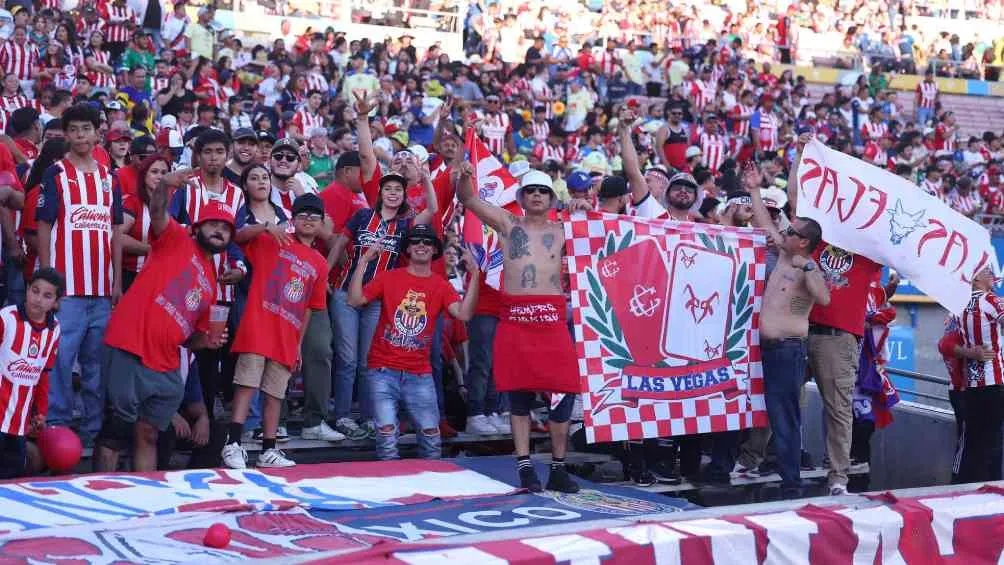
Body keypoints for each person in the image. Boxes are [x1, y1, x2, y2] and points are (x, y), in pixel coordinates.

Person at [96, 168, 233, 472]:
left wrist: (208, 341)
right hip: (130, 343)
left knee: (148, 434)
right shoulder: (176, 239)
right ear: (197, 227)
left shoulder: (212, 283)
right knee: (116, 432)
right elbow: (157, 212)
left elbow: (191, 339)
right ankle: (102, 494)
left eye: (225, 228)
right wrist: (164, 188)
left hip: (166, 362)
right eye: (212, 224)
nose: (219, 231)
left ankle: (145, 499)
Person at [457, 161, 581, 493]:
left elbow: (607, 239)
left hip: (552, 321)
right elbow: (468, 199)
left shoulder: (564, 229)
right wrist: (465, 176)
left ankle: (557, 467)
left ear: (552, 199)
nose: (537, 196)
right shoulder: (508, 223)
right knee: (519, 396)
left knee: (564, 394)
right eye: (531, 191)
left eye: (543, 191)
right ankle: (525, 466)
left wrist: (583, 211)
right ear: (522, 198)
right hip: (515, 320)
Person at [786, 134, 882, 496]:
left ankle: (838, 477)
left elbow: (892, 230)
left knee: (837, 409)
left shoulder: (871, 252)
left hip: (839, 338)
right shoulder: (820, 237)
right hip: (800, 329)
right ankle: (761, 461)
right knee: (783, 398)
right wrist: (798, 156)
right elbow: (797, 201)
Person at [348, 223, 479, 460]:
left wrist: (475, 275)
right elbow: (355, 300)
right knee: (387, 438)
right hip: (382, 370)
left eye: (427, 242)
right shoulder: (389, 278)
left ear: (434, 250)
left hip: (419, 374)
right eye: (416, 241)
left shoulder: (441, 284)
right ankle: (393, 491)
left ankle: (430, 490)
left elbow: (464, 314)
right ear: (407, 249)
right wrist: (364, 262)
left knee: (431, 439)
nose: (421, 245)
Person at [326, 169, 438, 441]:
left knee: (367, 363)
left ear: (403, 196)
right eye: (388, 188)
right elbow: (340, 244)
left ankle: (365, 418)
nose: (392, 193)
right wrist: (323, 277)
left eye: (398, 190)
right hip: (344, 293)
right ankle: (342, 416)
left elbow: (433, 209)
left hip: (376, 300)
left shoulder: (404, 225)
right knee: (348, 360)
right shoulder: (363, 216)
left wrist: (425, 179)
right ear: (380, 193)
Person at [221, 193, 330, 469]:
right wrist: (266, 226)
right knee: (247, 385)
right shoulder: (275, 240)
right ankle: (232, 443)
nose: (308, 220)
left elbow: (309, 307)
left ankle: (269, 449)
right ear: (293, 219)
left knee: (275, 394)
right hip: (259, 326)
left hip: (287, 336)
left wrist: (297, 344)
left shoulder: (320, 262)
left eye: (314, 216)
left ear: (322, 223)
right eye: (303, 215)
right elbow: (237, 238)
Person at [746, 158, 830, 497]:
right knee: (759, 412)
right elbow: (766, 222)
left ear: (804, 242)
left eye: (793, 232)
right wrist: (753, 189)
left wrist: (808, 267)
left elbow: (823, 299)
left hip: (787, 351)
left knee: (784, 417)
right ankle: (761, 465)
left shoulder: (810, 267)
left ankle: (791, 481)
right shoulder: (783, 254)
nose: (786, 232)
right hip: (762, 348)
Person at [38, 103, 120, 445]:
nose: (80, 135)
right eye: (74, 130)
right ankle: (56, 426)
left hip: (101, 290)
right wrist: (46, 280)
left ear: (97, 132)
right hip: (67, 289)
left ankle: (91, 431)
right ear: (66, 134)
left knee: (95, 366)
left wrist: (116, 280)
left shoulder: (108, 176)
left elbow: (115, 231)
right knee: (60, 361)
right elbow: (43, 226)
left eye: (86, 129)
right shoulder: (55, 173)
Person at [0, 268, 63, 479]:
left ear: (56, 302)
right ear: (27, 290)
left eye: (47, 295)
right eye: (35, 291)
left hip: (19, 423)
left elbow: (43, 374)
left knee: (12, 478)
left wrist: (41, 412)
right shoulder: (5, 318)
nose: (38, 299)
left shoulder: (54, 329)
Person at [956, 265, 1004, 483]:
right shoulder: (992, 300)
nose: (992, 276)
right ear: (975, 279)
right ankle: (992, 494)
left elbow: (946, 344)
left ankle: (969, 491)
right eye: (987, 272)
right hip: (995, 382)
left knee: (974, 443)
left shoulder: (958, 304)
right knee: (994, 442)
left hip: (972, 385)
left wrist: (968, 351)